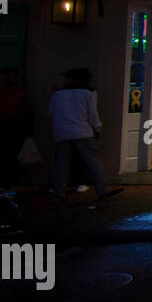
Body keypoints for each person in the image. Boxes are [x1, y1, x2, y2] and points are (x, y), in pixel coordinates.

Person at [49, 68, 122, 204]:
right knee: (93, 162)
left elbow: (51, 113)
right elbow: (92, 114)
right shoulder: (88, 93)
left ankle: (58, 193)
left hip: (61, 132)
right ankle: (102, 190)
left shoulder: (58, 94)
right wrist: (97, 128)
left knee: (61, 163)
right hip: (82, 131)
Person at [0, 67, 33, 192]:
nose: (12, 78)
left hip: (13, 129)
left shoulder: (18, 91)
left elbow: (26, 110)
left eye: (14, 76)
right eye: (10, 75)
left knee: (11, 159)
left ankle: (8, 183)